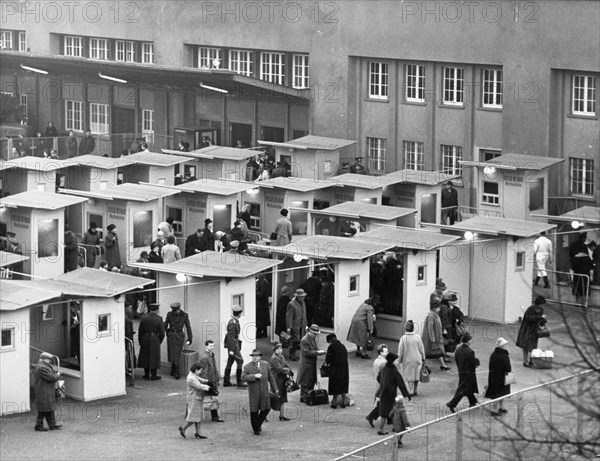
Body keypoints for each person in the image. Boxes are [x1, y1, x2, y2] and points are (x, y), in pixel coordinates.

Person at [241, 349, 279, 435]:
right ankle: (256, 429)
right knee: (254, 411)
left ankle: (258, 424)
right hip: (254, 393)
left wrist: (275, 389)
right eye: (253, 356)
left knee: (267, 408)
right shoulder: (247, 367)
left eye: (256, 356)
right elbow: (243, 378)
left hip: (264, 392)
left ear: (260, 357)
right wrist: (254, 376)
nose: (255, 358)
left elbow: (271, 377)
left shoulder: (265, 364)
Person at [375, 352, 410, 436]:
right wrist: (406, 394)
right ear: (392, 361)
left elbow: (378, 378)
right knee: (389, 411)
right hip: (390, 394)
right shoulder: (394, 371)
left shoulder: (384, 368)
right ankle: (381, 429)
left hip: (383, 392)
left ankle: (392, 426)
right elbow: (401, 383)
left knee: (387, 410)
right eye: (395, 360)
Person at [446, 333, 480, 413]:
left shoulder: (458, 349)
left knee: (468, 388)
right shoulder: (470, 351)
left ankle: (472, 402)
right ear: (468, 341)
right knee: (463, 389)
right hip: (469, 373)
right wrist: (477, 362)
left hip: (461, 371)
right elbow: (473, 361)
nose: (471, 340)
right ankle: (452, 403)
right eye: (470, 339)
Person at [178, 362, 211, 439]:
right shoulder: (191, 378)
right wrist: (207, 386)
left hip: (195, 398)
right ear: (196, 370)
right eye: (199, 370)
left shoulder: (192, 375)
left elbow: (200, 379)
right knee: (193, 417)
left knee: (198, 416)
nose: (200, 372)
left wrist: (206, 381)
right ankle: (183, 429)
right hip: (194, 399)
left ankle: (198, 432)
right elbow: (198, 386)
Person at [33, 352, 62, 431]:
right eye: (48, 359)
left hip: (44, 390)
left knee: (48, 408)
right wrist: (57, 375)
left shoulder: (40, 365)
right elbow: (51, 377)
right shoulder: (42, 367)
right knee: (44, 409)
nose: (49, 361)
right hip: (44, 391)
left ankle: (52, 424)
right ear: (45, 359)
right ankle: (39, 425)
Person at [516, 295, 548, 367]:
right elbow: (528, 318)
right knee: (526, 346)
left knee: (533, 346)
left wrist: (543, 321)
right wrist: (539, 317)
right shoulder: (531, 309)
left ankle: (531, 360)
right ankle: (526, 361)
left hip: (534, 330)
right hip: (527, 329)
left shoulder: (540, 309)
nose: (543, 305)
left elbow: (539, 319)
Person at [297, 324, 326, 404]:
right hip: (306, 364)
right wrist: (318, 352)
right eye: (315, 333)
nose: (316, 335)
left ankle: (309, 395)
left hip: (311, 363)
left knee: (310, 380)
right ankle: (303, 396)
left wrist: (318, 351)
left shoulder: (311, 338)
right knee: (305, 381)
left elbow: (313, 349)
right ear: (311, 332)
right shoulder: (305, 340)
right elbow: (307, 352)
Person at [164, 302, 193, 379]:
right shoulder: (169, 314)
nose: (174, 312)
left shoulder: (184, 315)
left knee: (177, 353)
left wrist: (190, 337)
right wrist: (165, 332)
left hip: (179, 336)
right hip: (171, 335)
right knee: (172, 353)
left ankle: (176, 371)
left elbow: (188, 326)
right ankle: (173, 369)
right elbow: (165, 324)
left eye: (175, 311)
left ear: (178, 309)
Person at [397, 320, 426, 396]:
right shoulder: (417, 337)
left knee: (409, 376)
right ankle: (415, 390)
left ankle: (410, 390)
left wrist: (399, 360)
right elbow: (421, 348)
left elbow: (400, 351)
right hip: (417, 358)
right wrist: (423, 357)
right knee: (417, 374)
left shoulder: (403, 338)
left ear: (405, 328)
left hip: (407, 360)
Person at [137, 303, 165, 380]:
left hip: (145, 338)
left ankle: (146, 374)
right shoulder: (159, 319)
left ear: (149, 309)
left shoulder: (144, 318)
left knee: (145, 356)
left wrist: (140, 341)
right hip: (154, 338)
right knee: (154, 356)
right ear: (157, 310)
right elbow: (162, 332)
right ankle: (153, 374)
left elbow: (140, 331)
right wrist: (159, 340)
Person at [485, 337, 512, 416]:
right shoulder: (504, 355)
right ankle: (496, 409)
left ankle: (498, 407)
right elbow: (508, 367)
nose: (506, 346)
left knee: (497, 393)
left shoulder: (493, 354)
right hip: (502, 377)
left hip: (494, 377)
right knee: (500, 393)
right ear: (502, 346)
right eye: (505, 345)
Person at [198, 340, 224, 423]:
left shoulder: (210, 355)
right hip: (209, 381)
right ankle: (214, 416)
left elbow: (214, 368)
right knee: (211, 398)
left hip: (212, 380)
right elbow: (204, 371)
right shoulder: (205, 357)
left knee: (212, 398)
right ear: (206, 346)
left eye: (213, 346)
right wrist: (206, 383)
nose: (212, 347)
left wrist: (218, 378)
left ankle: (214, 416)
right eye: (210, 346)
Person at [223, 305, 247, 388]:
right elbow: (230, 338)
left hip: (234, 343)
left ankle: (226, 380)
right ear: (239, 314)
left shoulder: (234, 321)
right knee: (240, 361)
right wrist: (231, 349)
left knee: (231, 360)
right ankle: (239, 381)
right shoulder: (233, 323)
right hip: (233, 344)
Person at [365, 343, 389, 428]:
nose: (387, 353)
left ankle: (389, 418)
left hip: (378, 384)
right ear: (380, 352)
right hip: (384, 385)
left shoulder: (376, 361)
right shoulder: (384, 363)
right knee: (386, 403)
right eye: (385, 351)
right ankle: (372, 416)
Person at [269, 342, 292, 421]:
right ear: (274, 350)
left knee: (282, 397)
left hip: (282, 379)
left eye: (281, 348)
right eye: (278, 349)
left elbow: (286, 365)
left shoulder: (281, 356)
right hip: (276, 380)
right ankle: (263, 414)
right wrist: (288, 370)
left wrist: (288, 369)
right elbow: (279, 369)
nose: (280, 350)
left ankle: (282, 415)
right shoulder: (274, 358)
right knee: (274, 397)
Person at [325, 333, 349, 409]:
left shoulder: (331, 347)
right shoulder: (343, 346)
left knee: (334, 385)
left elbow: (328, 360)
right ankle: (344, 402)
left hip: (335, 369)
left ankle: (334, 402)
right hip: (344, 368)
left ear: (330, 340)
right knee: (343, 385)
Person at [424, 303, 449, 371]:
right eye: (438, 308)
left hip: (436, 337)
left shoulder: (435, 315)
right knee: (427, 352)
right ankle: (424, 365)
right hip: (432, 338)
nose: (439, 309)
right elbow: (430, 328)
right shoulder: (431, 316)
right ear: (434, 309)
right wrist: (432, 339)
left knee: (437, 351)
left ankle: (443, 365)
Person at [286, 288, 308, 362]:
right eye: (301, 296)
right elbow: (289, 316)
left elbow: (304, 314)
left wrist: (306, 324)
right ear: (297, 296)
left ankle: (294, 353)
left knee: (301, 340)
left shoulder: (303, 302)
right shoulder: (291, 304)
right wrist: (289, 327)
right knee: (296, 340)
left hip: (302, 324)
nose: (302, 298)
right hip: (295, 325)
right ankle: (292, 354)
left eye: (303, 296)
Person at [570, 232, 593, 300]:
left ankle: (577, 301)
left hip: (577, 272)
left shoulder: (573, 246)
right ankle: (584, 302)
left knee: (577, 286)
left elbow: (572, 262)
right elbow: (591, 265)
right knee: (585, 287)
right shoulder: (586, 256)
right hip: (585, 272)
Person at [255, 273, 271, 338]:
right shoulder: (264, 282)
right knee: (263, 320)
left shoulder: (263, 283)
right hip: (262, 304)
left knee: (260, 320)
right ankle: (264, 333)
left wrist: (254, 291)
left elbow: (261, 294)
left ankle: (259, 334)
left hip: (261, 304)